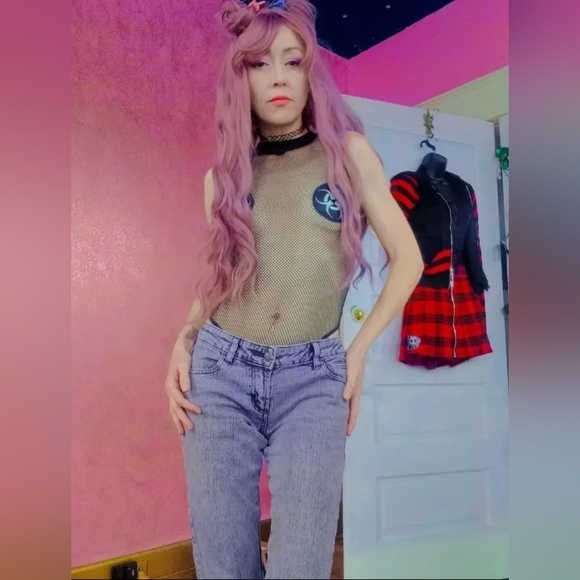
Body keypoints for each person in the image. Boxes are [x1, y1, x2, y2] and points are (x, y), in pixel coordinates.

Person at [164, 0, 423, 578]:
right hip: (220, 374)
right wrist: (182, 342)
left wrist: (357, 351)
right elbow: (220, 280)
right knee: (222, 565)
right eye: (260, 64)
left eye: (293, 60)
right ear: (241, 79)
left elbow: (409, 260)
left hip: (313, 379)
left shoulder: (348, 155)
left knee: (302, 564)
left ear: (310, 73)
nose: (278, 77)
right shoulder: (221, 179)